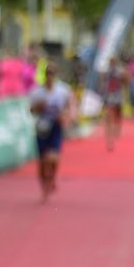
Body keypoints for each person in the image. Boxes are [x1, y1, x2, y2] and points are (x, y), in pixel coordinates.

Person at [29, 62, 75, 202]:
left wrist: (66, 117)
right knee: (42, 161)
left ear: (55, 75)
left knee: (53, 158)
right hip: (42, 127)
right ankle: (44, 187)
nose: (50, 76)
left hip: (55, 126)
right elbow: (30, 110)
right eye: (47, 73)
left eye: (52, 73)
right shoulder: (37, 92)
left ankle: (52, 177)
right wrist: (38, 107)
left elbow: (69, 107)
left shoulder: (62, 90)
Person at [101, 56, 126, 152]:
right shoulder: (106, 72)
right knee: (108, 116)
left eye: (113, 61)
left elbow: (125, 81)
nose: (112, 63)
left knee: (118, 114)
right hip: (108, 96)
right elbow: (103, 82)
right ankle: (109, 139)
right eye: (110, 61)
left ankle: (117, 127)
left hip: (117, 96)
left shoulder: (120, 71)